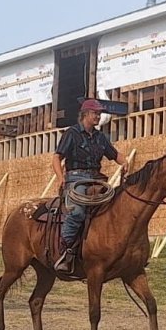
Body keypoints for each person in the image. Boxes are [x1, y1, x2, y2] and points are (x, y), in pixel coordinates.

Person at [52, 99, 128, 273]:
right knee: (77, 212)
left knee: (114, 210)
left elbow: (115, 155)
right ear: (85, 114)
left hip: (97, 180)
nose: (98, 116)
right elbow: (57, 157)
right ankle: (66, 250)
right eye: (96, 113)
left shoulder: (101, 137)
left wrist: (124, 162)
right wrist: (60, 177)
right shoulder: (72, 133)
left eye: (100, 114)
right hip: (75, 178)